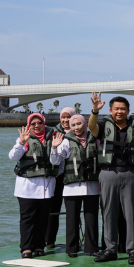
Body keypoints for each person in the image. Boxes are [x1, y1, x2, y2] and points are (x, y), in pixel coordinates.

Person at [88, 93, 134, 265]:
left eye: (123, 109)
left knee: (131, 214)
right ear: (110, 110)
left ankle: (133, 251)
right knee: (108, 213)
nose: (120, 112)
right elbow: (91, 127)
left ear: (128, 111)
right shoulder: (102, 125)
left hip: (130, 173)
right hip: (108, 174)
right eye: (117, 109)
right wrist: (94, 110)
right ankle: (110, 249)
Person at [7, 113, 64, 258]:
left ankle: (39, 246)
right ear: (28, 126)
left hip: (46, 186)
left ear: (44, 123)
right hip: (26, 186)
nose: (36, 126)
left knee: (43, 218)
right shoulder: (23, 139)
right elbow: (12, 157)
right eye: (33, 124)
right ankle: (26, 248)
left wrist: (54, 148)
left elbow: (55, 162)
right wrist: (21, 142)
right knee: (27, 218)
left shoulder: (53, 138)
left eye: (39, 123)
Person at [55, 114, 101, 257]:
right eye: (73, 125)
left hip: (92, 185)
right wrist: (54, 147)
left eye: (78, 124)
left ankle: (92, 247)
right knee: (72, 219)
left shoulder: (95, 139)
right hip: (72, 187)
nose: (76, 128)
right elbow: (57, 160)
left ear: (84, 124)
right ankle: (72, 248)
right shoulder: (66, 141)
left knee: (91, 217)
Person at [45, 106, 76, 250]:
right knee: (53, 211)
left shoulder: (79, 131)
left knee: (73, 212)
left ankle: (74, 242)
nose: (65, 120)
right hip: (57, 179)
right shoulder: (53, 133)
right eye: (63, 117)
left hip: (74, 179)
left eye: (68, 117)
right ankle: (49, 240)